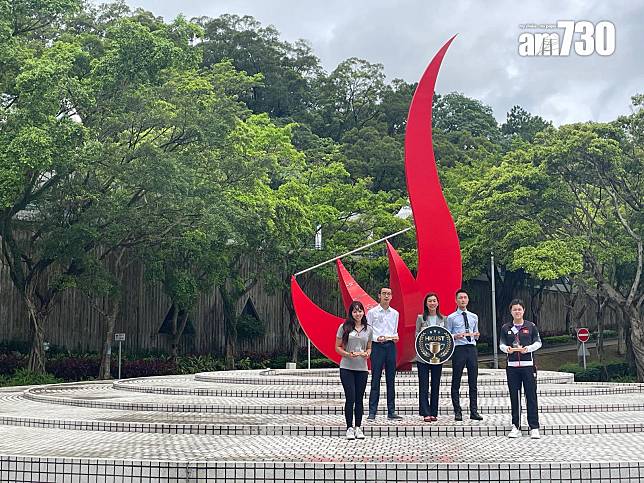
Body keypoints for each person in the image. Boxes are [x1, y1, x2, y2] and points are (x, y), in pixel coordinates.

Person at [499, 298, 542, 439]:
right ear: (511, 311)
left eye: (519, 309)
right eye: (514, 309)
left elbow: (538, 343)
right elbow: (501, 344)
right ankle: (515, 426)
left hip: (528, 366)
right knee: (514, 396)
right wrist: (507, 349)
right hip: (512, 367)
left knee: (531, 396)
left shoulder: (531, 326)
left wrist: (527, 349)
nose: (517, 311)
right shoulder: (506, 327)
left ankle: (534, 427)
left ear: (523, 310)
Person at [335, 300, 373, 440]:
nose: (358, 313)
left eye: (360, 311)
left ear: (363, 312)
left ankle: (358, 427)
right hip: (347, 367)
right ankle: (349, 427)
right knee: (350, 397)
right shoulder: (344, 327)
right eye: (355, 311)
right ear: (351, 313)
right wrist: (347, 354)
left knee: (359, 398)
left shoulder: (368, 329)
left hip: (362, 368)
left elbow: (369, 347)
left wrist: (367, 353)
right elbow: (337, 347)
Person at [446, 288, 483, 421]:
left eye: (465, 297)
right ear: (456, 300)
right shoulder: (451, 317)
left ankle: (474, 411)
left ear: (468, 300)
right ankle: (457, 411)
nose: (463, 300)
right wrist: (455, 336)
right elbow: (447, 335)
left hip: (471, 348)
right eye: (460, 298)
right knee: (456, 380)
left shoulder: (474, 316)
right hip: (459, 349)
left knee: (473, 381)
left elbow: (476, 333)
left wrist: (477, 335)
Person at [367, 287, 402, 421]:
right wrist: (376, 338)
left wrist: (395, 336)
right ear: (379, 295)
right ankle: (372, 411)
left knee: (391, 379)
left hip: (390, 346)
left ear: (392, 296)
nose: (386, 296)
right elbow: (369, 331)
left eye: (389, 294)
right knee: (375, 379)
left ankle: (391, 411)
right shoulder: (372, 312)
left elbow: (394, 330)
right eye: (384, 294)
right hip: (377, 346)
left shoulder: (395, 313)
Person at [416, 292, 446, 422]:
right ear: (426, 303)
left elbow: (446, 337)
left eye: (434, 301)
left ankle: (434, 412)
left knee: (435, 384)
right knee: (423, 384)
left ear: (438, 303)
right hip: (423, 357)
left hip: (438, 357)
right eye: (430, 301)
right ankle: (425, 412)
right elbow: (416, 335)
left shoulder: (444, 319)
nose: (432, 303)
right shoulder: (420, 318)